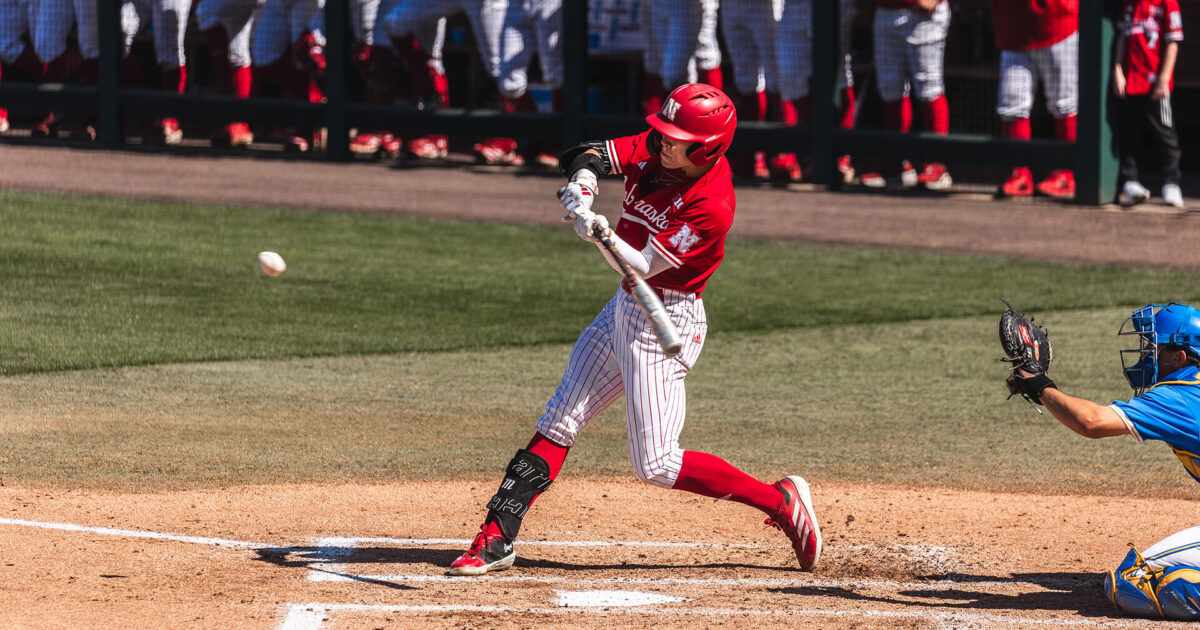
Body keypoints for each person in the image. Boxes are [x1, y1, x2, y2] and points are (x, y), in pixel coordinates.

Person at [447, 83, 821, 576]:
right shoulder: (657, 148)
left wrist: (599, 231)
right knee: (560, 418)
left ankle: (780, 501)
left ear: (706, 147)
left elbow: (642, 264)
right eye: (664, 131)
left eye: (676, 137)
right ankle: (495, 539)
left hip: (666, 318)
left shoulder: (711, 205)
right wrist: (582, 186)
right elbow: (589, 154)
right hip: (626, 306)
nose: (663, 141)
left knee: (657, 463)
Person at [1006, 303, 1200, 621]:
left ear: (1179, 357)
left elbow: (1091, 422)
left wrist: (1039, 383)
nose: (1146, 356)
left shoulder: (1181, 396)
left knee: (1132, 584)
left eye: (1154, 348)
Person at [991, 0, 1079, 199]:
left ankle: (1066, 173)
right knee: (1011, 102)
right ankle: (1020, 173)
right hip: (1013, 27)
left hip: (1057, 20)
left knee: (1064, 102)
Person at [860, 0, 952, 190]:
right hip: (886, 10)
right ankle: (896, 165)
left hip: (921, 13)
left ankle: (937, 165)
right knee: (889, 88)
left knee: (929, 87)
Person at [1114, 0, 1185, 209]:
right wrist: (1117, 70)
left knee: (1166, 135)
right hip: (1131, 81)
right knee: (1129, 133)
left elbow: (1173, 41)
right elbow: (1121, 39)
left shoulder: (1168, 4)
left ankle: (1172, 183)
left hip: (1156, 83)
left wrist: (1164, 77)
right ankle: (1130, 181)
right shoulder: (1128, 5)